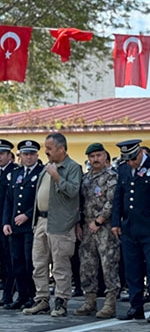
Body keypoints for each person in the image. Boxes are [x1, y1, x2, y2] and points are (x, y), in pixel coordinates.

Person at [111, 139, 150, 323]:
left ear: (139, 153)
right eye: (127, 159)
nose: (130, 163)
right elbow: (118, 196)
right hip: (129, 226)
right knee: (132, 268)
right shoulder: (122, 168)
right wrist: (116, 222)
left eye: (132, 159)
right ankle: (135, 306)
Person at [23, 133, 82, 317]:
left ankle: (60, 301)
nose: (46, 152)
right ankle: (41, 300)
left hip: (61, 223)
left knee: (60, 264)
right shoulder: (47, 167)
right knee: (39, 263)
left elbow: (73, 192)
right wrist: (35, 222)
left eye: (49, 148)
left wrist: (57, 177)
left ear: (61, 149)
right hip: (41, 221)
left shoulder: (73, 167)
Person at [73, 143, 120, 318]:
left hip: (105, 228)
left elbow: (112, 201)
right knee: (87, 265)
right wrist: (79, 224)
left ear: (105, 157)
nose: (95, 159)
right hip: (86, 228)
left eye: (99, 156)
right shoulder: (85, 178)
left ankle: (110, 303)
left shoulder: (111, 177)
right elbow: (80, 203)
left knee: (109, 265)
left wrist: (99, 221)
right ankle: (89, 301)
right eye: (92, 157)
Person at [2, 140, 42, 310]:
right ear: (20, 156)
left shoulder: (41, 173)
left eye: (32, 154)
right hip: (15, 226)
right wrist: (5, 222)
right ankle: (21, 296)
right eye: (25, 154)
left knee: (29, 262)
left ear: (36, 155)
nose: (28, 157)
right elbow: (8, 201)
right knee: (16, 262)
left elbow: (42, 200)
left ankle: (33, 296)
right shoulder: (16, 174)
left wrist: (27, 215)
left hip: (30, 225)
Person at [0, 139, 19, 307]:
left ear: (9, 155)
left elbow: (10, 202)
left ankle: (8, 295)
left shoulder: (15, 172)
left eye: (1, 154)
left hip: (7, 225)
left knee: (10, 261)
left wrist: (7, 222)